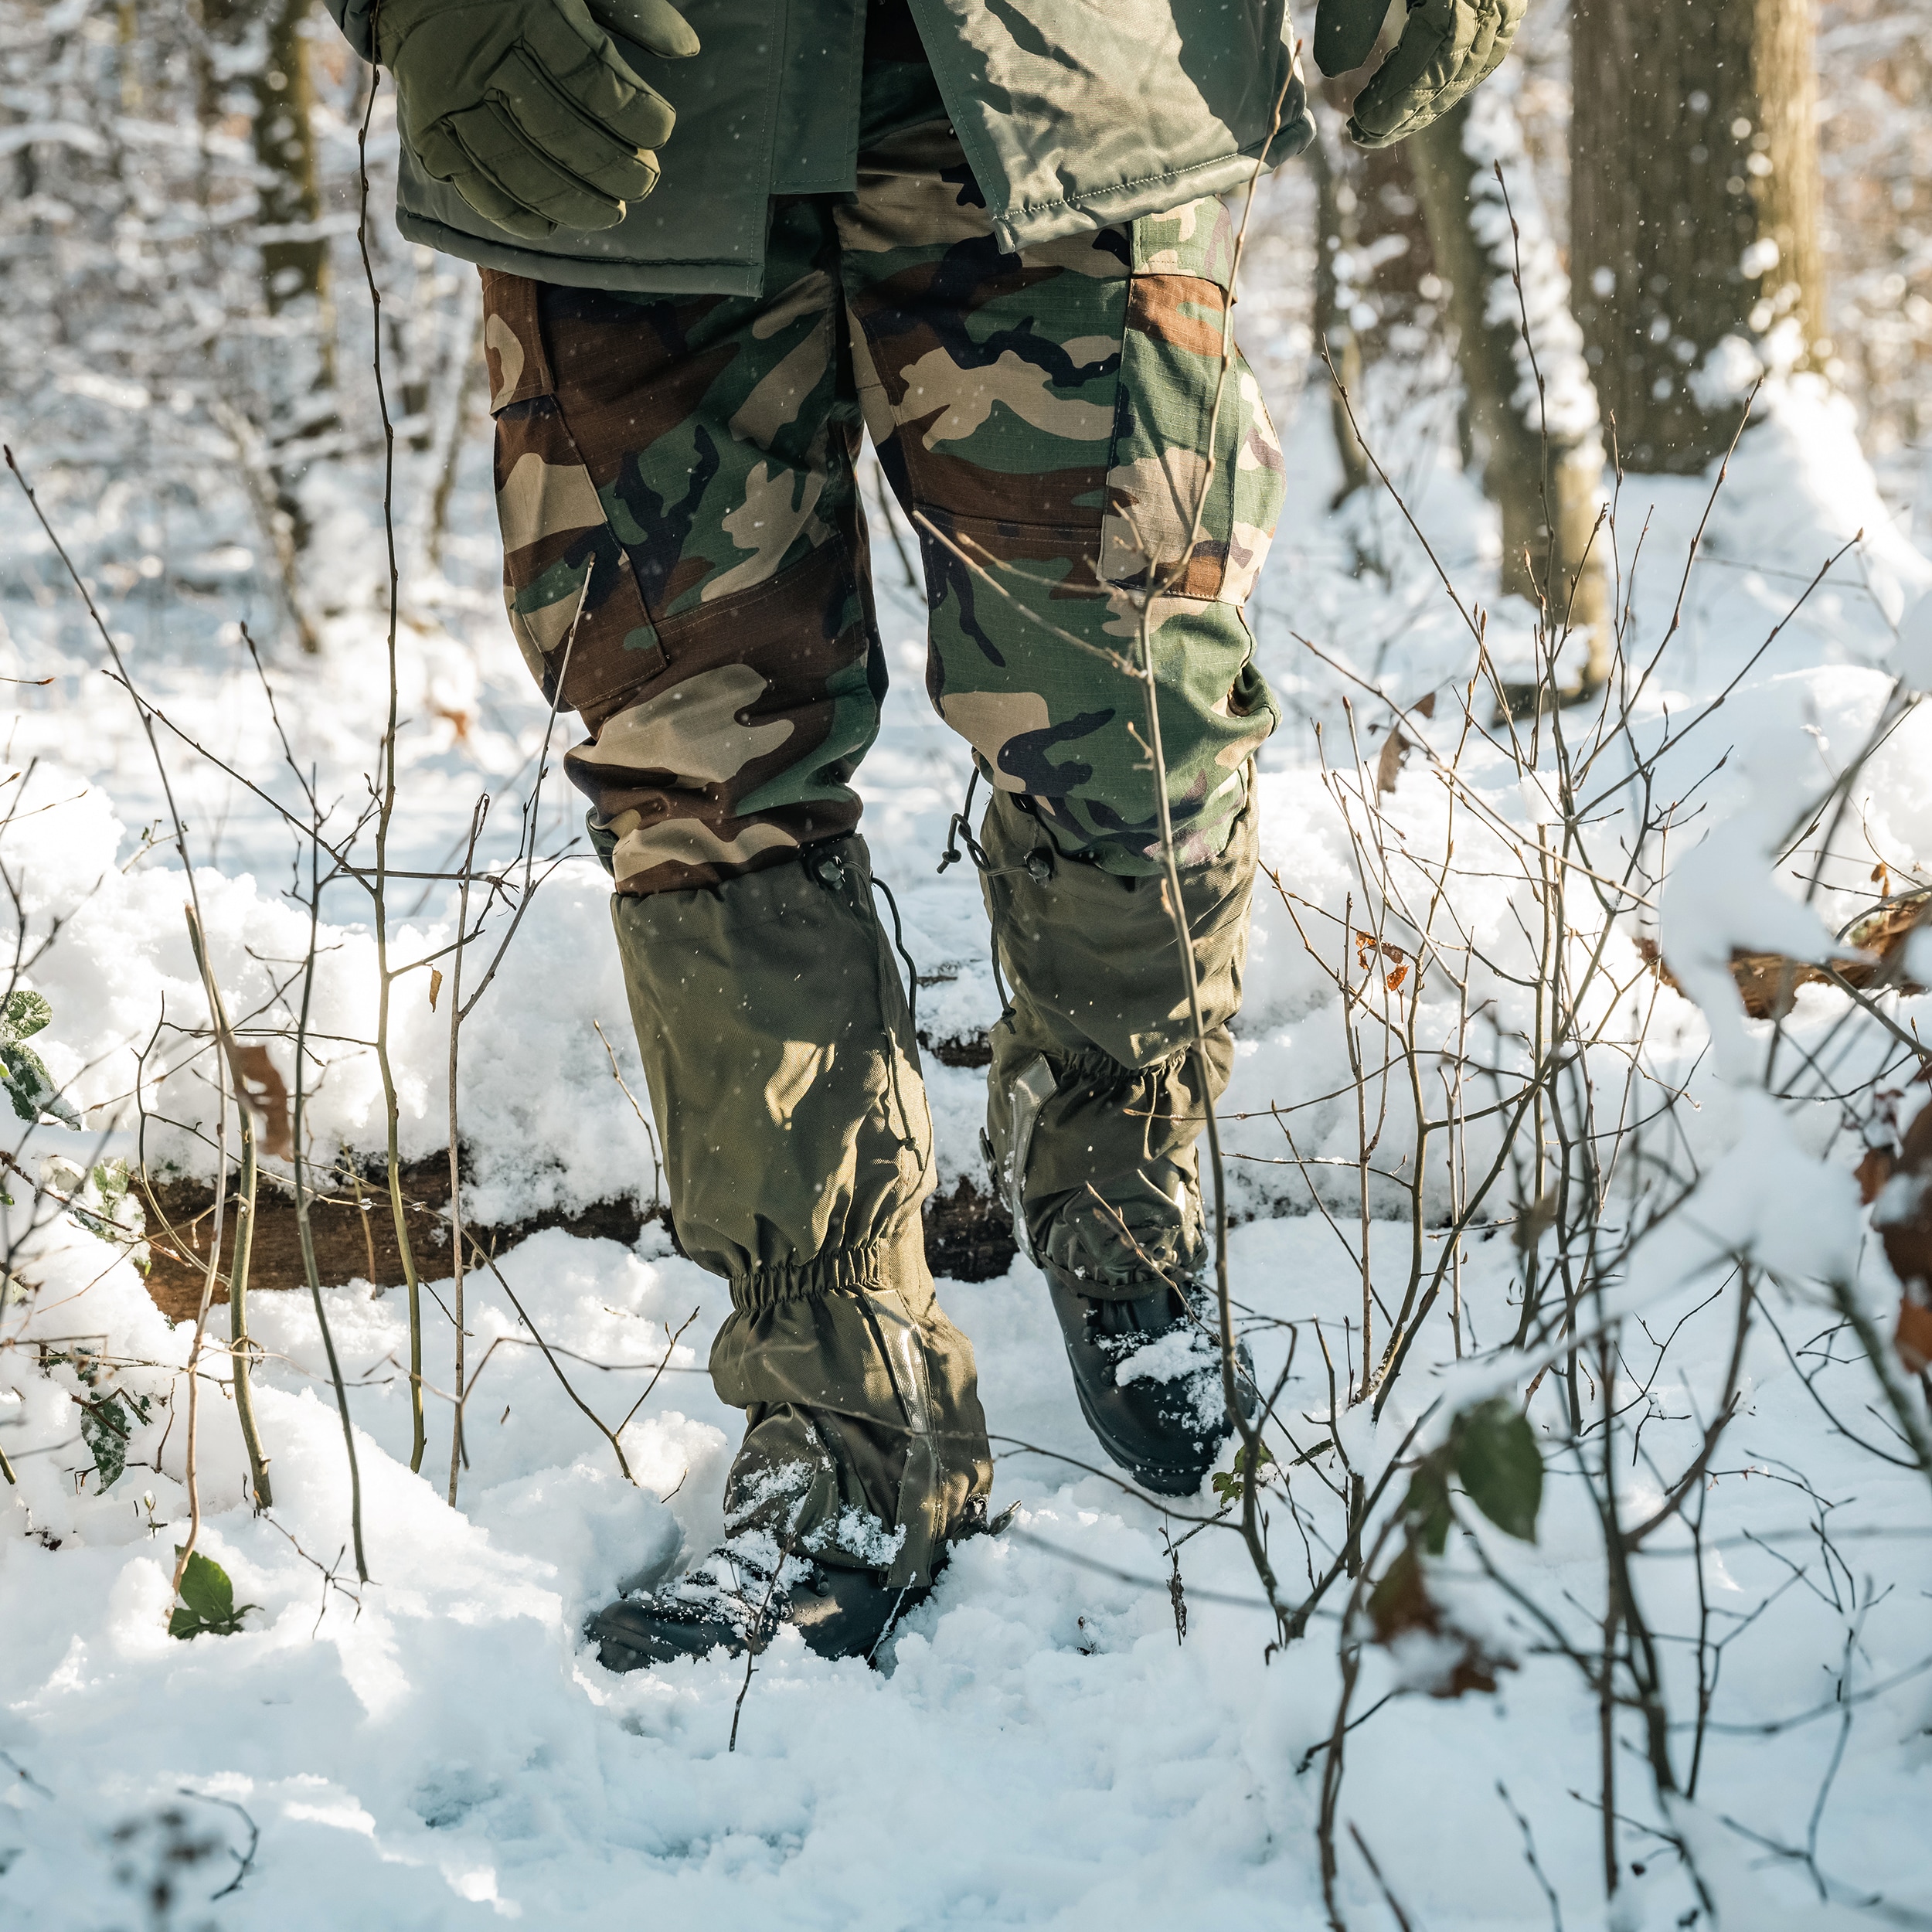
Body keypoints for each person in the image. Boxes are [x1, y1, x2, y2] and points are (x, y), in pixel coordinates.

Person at [324, 0, 1522, 1665]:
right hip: (611, 77)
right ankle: (841, 1416)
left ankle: (1118, 1186)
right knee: (696, 757)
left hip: (1073, 67)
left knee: (1124, 682)